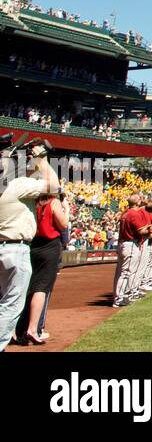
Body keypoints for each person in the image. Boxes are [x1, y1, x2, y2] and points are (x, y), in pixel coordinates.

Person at [0, 143, 59, 350]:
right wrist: (41, 158)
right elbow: (54, 185)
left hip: (4, 246)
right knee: (11, 303)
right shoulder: (15, 185)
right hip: (15, 248)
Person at [14, 188, 68, 344]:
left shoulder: (32, 202)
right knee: (41, 288)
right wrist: (67, 210)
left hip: (32, 245)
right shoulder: (53, 202)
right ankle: (33, 328)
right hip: (49, 246)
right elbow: (63, 225)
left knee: (27, 286)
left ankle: (17, 329)